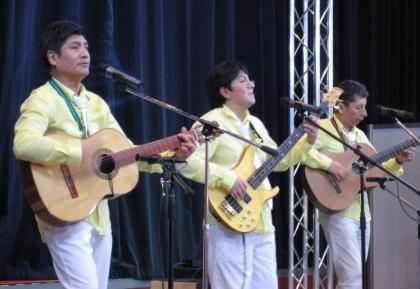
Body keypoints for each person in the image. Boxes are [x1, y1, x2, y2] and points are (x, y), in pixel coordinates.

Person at [13, 21, 196, 289]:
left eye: (86, 47)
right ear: (53, 57)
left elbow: (127, 153)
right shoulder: (41, 99)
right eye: (75, 47)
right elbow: (24, 144)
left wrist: (172, 156)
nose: (85, 53)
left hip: (99, 215)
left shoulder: (96, 103)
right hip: (64, 211)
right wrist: (81, 153)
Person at [179, 61, 318, 289]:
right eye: (242, 80)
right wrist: (227, 178)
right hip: (227, 221)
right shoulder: (211, 122)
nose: (251, 84)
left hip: (261, 222)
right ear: (225, 91)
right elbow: (187, 160)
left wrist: (306, 143)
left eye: (249, 79)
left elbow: (278, 161)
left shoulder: (255, 124)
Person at [302, 80, 416, 289]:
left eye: (365, 106)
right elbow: (301, 153)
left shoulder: (360, 136)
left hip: (361, 213)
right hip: (336, 212)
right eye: (359, 107)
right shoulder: (321, 129)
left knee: (355, 277)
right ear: (342, 107)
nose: (364, 113)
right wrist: (331, 165)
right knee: (352, 278)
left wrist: (398, 161)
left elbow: (374, 171)